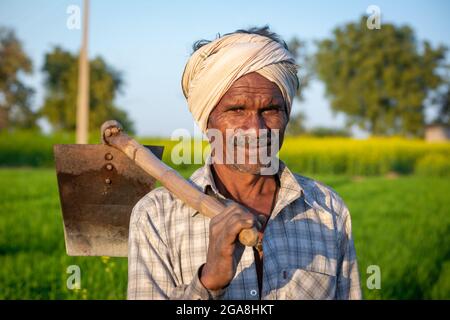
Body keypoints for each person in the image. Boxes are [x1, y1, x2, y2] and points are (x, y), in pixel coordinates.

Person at [127, 26, 362, 300]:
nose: (256, 128)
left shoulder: (328, 210)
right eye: (237, 110)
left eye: (270, 110)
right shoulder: (156, 216)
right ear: (207, 122)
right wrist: (208, 282)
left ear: (286, 115)